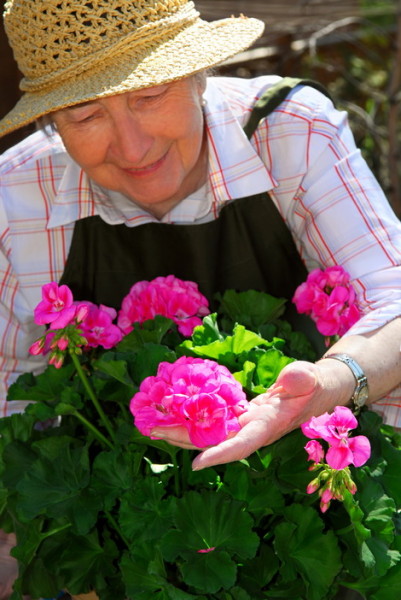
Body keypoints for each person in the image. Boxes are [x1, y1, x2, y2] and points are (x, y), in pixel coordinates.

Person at [0, 0, 401, 597]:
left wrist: (326, 386)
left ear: (197, 75)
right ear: (52, 121)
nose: (133, 148)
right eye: (86, 115)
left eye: (148, 96)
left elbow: (394, 304)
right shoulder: (16, 195)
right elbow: (13, 398)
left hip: (327, 522)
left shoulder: (289, 132)